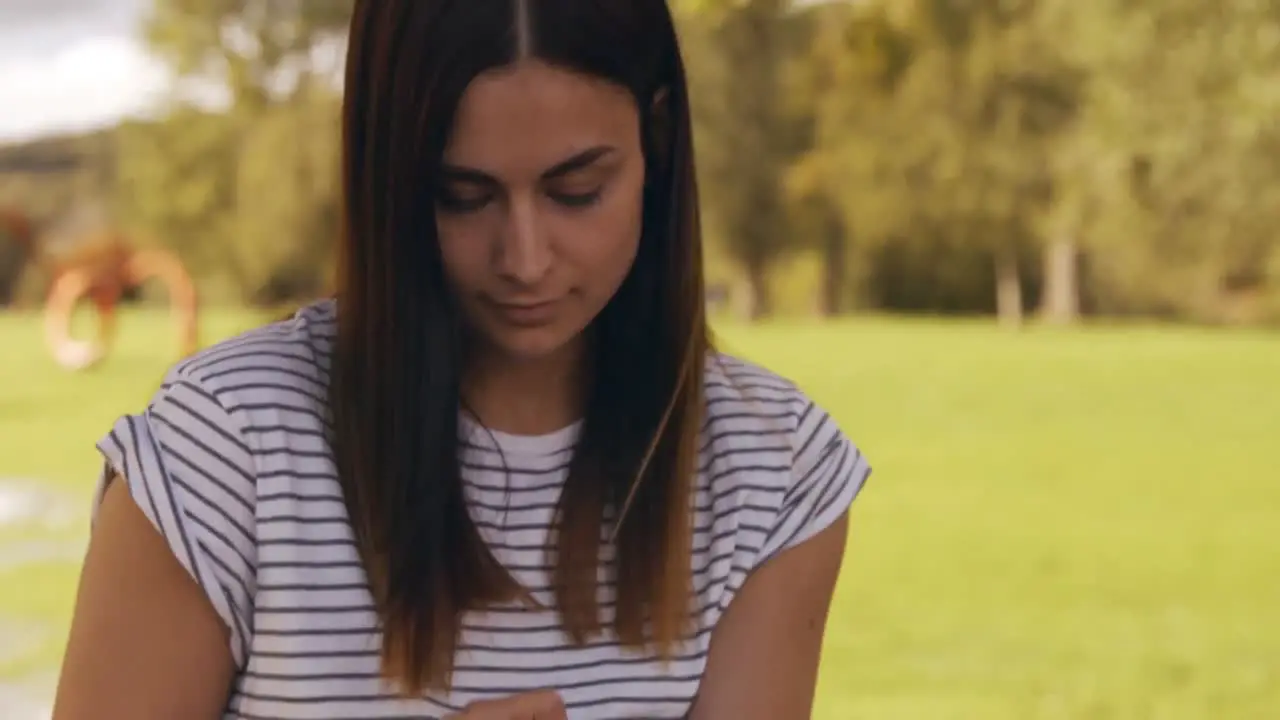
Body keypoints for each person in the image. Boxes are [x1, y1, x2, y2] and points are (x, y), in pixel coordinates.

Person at [50, 0, 872, 718]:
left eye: (576, 191)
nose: (524, 258)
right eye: (462, 197)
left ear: (658, 137)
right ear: (389, 176)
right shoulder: (224, 452)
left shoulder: (772, 472)